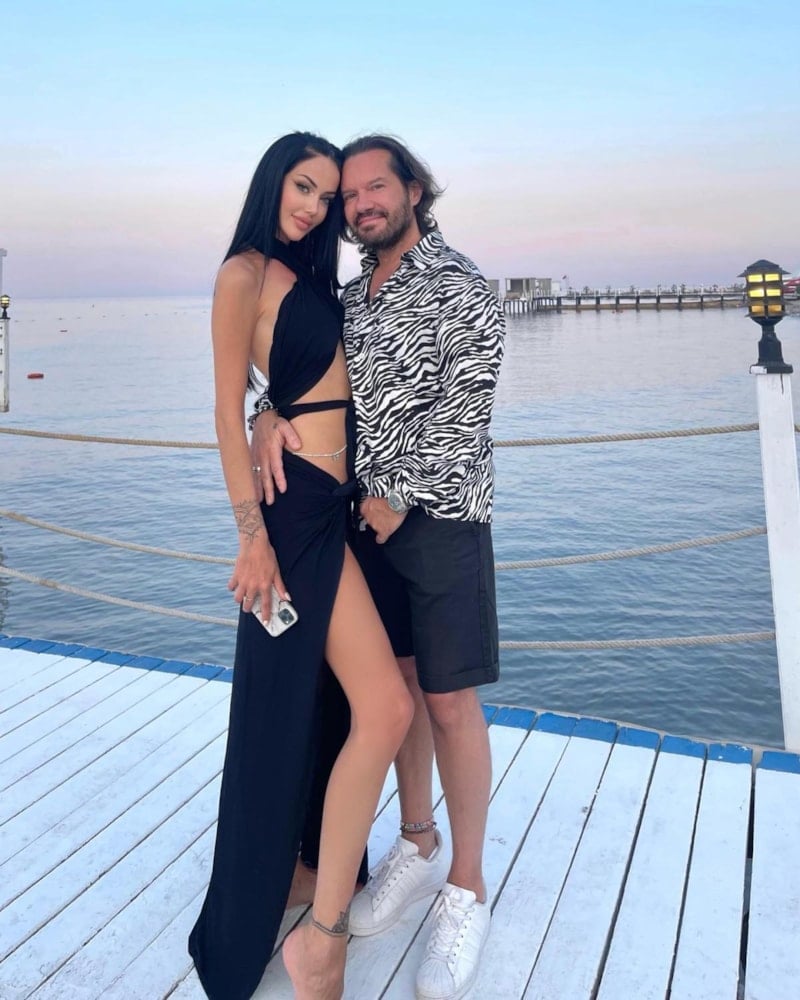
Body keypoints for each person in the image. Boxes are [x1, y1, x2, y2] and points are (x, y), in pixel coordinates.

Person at [252, 134, 505, 1000]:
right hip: (360, 526)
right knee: (394, 687)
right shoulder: (354, 294)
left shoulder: (461, 285)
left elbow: (467, 407)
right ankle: (417, 841)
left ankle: (466, 887)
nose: (359, 204)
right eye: (348, 195)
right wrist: (263, 415)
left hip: (441, 521)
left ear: (413, 191)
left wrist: (397, 495)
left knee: (449, 700)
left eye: (374, 188)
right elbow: (310, 379)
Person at [188, 132, 413, 1000]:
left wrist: (267, 412)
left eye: (326, 195)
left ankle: (302, 872)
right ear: (272, 182)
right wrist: (250, 533)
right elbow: (222, 408)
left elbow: (295, 382)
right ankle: (321, 939)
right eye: (303, 186)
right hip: (293, 517)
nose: (315, 206)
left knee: (322, 707)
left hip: (335, 507)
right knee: (384, 707)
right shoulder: (241, 272)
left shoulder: (312, 277)